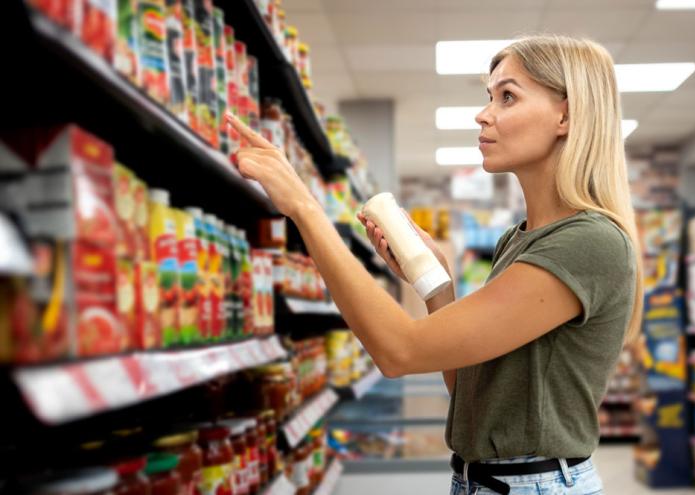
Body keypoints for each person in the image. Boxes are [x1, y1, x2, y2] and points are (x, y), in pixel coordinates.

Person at [226, 34, 643, 495]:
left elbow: (399, 351)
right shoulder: (519, 239)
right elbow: (469, 392)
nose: (483, 114)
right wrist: (433, 281)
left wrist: (304, 209)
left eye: (507, 96)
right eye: (489, 97)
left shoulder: (589, 242)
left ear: (566, 115)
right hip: (486, 480)